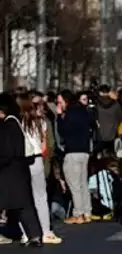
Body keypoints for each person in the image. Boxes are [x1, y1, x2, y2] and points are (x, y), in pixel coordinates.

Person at [0, 93, 43, 247]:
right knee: (25, 205)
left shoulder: (6, 126)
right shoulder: (16, 123)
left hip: (7, 171)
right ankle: (35, 235)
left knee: (8, 202)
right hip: (20, 170)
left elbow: (5, 151)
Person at [19, 95, 62, 244]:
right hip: (37, 160)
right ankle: (46, 231)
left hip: (21, 161)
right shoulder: (42, 122)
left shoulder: (18, 122)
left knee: (24, 199)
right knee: (41, 197)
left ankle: (26, 233)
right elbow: (45, 147)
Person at [57, 90, 94, 225]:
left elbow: (63, 131)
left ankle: (78, 213)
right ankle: (87, 212)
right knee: (83, 183)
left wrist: (59, 116)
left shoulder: (69, 114)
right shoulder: (83, 111)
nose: (59, 104)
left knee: (74, 185)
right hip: (84, 151)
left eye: (60, 102)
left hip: (72, 152)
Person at [95, 84, 122, 158]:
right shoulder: (116, 104)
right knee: (112, 156)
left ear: (100, 92)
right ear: (108, 92)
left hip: (100, 134)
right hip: (113, 133)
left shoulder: (96, 104)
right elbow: (121, 117)